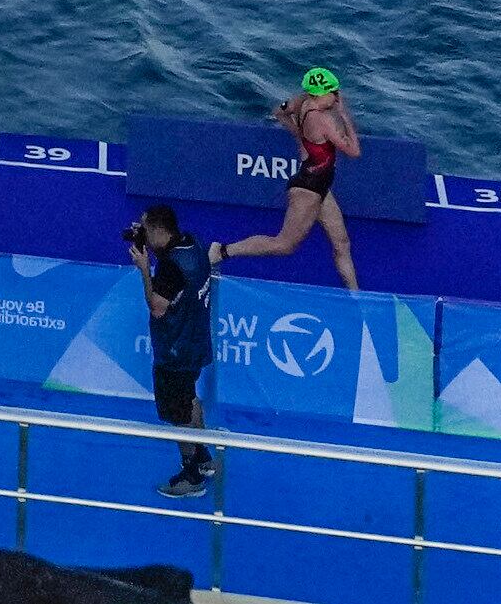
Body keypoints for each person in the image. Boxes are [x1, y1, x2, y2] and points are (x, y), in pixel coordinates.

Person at [212, 69, 362, 292]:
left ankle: (357, 299)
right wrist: (344, 114)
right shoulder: (323, 120)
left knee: (342, 243)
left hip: (321, 187)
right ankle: (222, 251)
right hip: (308, 189)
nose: (337, 96)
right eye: (334, 92)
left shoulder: (300, 102)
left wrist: (299, 134)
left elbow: (279, 111)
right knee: (283, 244)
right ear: (323, 93)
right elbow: (354, 150)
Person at [130, 202, 219, 499]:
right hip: (196, 344)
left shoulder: (169, 268)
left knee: (178, 413)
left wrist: (144, 269)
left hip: (175, 352)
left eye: (145, 228)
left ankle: (190, 475)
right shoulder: (192, 243)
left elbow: (157, 307)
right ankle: (203, 455)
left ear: (157, 229)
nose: (141, 231)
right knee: (190, 397)